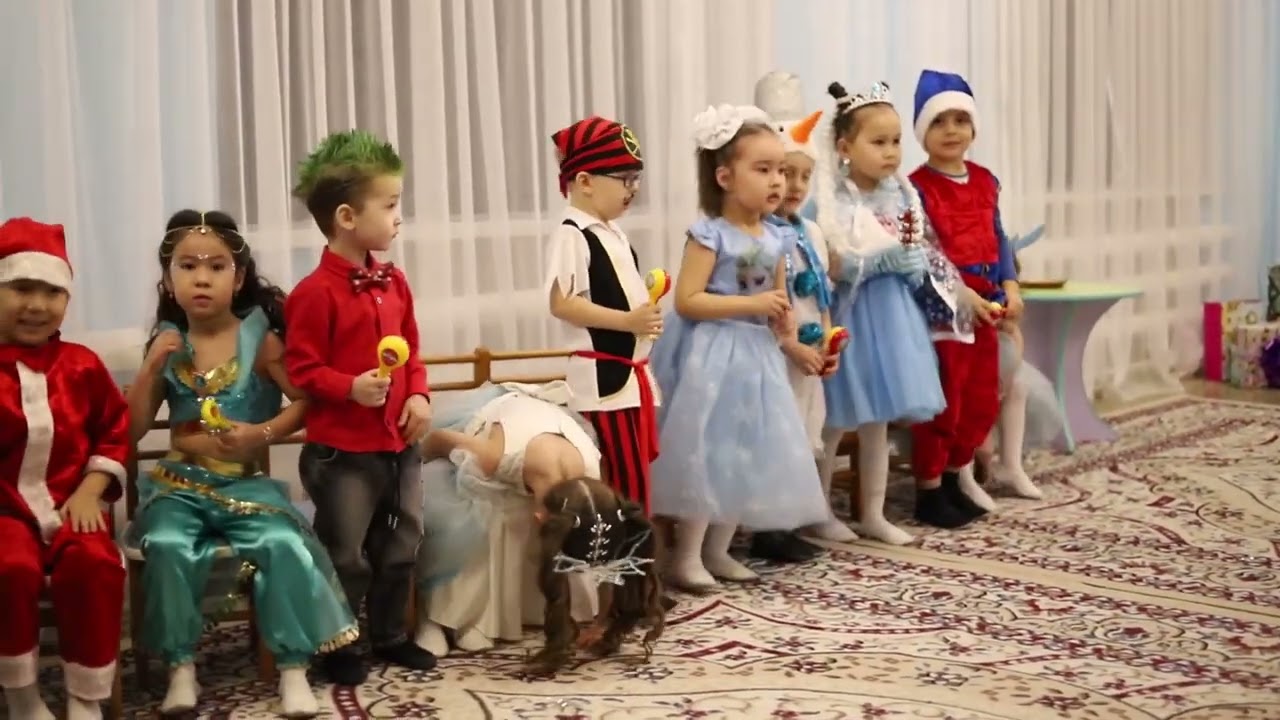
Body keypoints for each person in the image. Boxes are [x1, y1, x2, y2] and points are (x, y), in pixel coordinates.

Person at [124, 210, 357, 716]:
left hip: (246, 485)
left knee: (282, 543)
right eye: (187, 266)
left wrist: (260, 433)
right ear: (168, 278)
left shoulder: (261, 338)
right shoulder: (168, 342)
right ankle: (180, 668)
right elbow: (133, 429)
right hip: (177, 485)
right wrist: (149, 369)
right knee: (167, 544)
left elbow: (304, 402)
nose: (201, 278)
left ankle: (292, 668)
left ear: (239, 277)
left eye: (216, 266)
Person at [648, 104, 832, 592]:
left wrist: (790, 340)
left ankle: (719, 549)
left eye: (782, 170)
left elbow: (779, 303)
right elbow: (688, 300)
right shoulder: (710, 235)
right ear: (725, 177)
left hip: (757, 357)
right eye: (764, 169)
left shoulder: (777, 235)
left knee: (743, 453)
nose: (778, 181)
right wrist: (751, 303)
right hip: (711, 355)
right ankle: (687, 556)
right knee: (707, 452)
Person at [285, 129, 436, 685]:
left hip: (400, 445)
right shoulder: (312, 294)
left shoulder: (395, 282)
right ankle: (338, 642)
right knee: (346, 554)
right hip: (343, 456)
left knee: (401, 544)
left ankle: (390, 635)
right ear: (347, 217)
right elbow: (302, 370)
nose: (399, 217)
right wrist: (348, 387)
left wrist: (418, 394)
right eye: (390, 205)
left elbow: (412, 349)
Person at [813, 80, 980, 543]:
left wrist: (913, 264)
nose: (890, 152)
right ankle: (818, 510)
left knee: (877, 421)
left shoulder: (902, 195)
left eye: (896, 141)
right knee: (835, 420)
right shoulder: (829, 199)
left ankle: (873, 512)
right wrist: (869, 264)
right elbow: (825, 261)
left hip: (893, 319)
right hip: (850, 316)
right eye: (878, 142)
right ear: (845, 148)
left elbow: (919, 247)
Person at [414, 382, 661, 664]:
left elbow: (607, 561)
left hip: (549, 432)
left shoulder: (590, 480)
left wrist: (602, 622)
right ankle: (436, 616)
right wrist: (411, 463)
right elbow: (437, 440)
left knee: (512, 513)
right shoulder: (493, 457)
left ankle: (485, 618)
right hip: (498, 426)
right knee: (461, 520)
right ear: (540, 517)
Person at [0, 217, 130, 720]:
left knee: (95, 564)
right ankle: (22, 696)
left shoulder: (81, 365)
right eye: (21, 288)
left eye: (52, 291)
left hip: (74, 501)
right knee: (9, 568)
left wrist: (91, 489)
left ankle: (85, 696)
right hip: (5, 512)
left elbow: (114, 430)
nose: (37, 305)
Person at [907, 69, 1023, 517]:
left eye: (960, 120)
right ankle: (930, 487)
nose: (951, 130)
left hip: (987, 303)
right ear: (922, 131)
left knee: (979, 396)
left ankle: (958, 473)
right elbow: (924, 251)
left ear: (973, 127)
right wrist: (961, 295)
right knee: (947, 396)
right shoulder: (915, 188)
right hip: (946, 305)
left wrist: (1010, 286)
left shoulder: (986, 181)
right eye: (938, 121)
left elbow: (999, 237)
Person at [754, 70, 857, 555]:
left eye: (802, 175)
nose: (793, 186)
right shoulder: (757, 234)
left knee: (803, 431)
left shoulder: (811, 232)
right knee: (774, 437)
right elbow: (763, 303)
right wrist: (788, 344)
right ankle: (768, 529)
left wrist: (829, 338)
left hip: (808, 355)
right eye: (782, 173)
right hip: (774, 353)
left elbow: (820, 295)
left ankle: (795, 521)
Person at [544, 115, 661, 515]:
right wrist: (628, 322)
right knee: (623, 486)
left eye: (636, 179)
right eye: (624, 178)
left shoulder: (611, 231)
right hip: (604, 382)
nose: (633, 189)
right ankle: (627, 553)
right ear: (585, 181)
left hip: (628, 379)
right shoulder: (573, 232)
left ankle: (637, 551)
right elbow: (562, 302)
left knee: (636, 480)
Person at [974, 237, 1064, 498]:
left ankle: (1011, 466)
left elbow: (1015, 341)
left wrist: (1007, 375)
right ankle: (972, 469)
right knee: (983, 446)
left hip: (999, 374)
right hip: (967, 374)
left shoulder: (1002, 303)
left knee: (1019, 387)